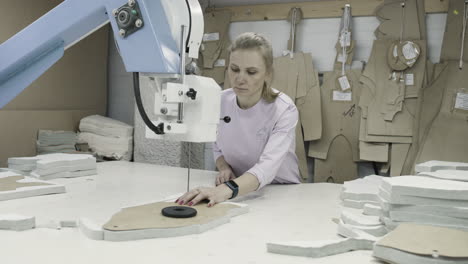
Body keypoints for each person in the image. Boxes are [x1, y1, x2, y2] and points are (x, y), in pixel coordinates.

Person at [176, 32, 301, 207]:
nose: (240, 79)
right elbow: (217, 145)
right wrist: (224, 168)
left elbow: (267, 168)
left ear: (268, 74)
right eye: (234, 69)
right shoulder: (221, 101)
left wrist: (222, 191)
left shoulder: (284, 110)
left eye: (251, 72)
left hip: (280, 192)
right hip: (238, 188)